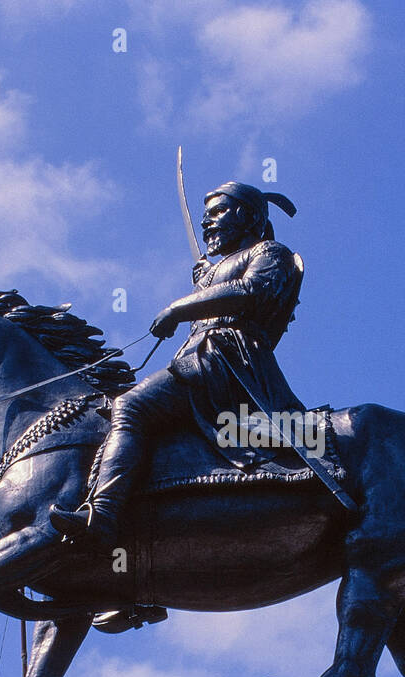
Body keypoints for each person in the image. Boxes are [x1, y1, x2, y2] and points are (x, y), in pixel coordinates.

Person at [50, 181, 305, 549]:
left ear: (247, 216)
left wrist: (180, 307)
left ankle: (103, 516)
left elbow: (251, 293)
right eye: (205, 216)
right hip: (200, 359)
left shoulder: (270, 252)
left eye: (218, 212)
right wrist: (205, 283)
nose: (207, 223)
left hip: (226, 361)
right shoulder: (218, 269)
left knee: (132, 406)